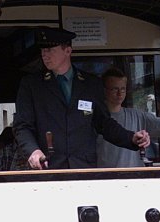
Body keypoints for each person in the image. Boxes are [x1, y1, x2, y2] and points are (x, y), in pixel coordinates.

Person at [14, 28, 150, 170]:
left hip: (83, 168)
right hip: (47, 166)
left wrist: (131, 138)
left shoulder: (91, 84)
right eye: (42, 50)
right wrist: (33, 151)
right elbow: (22, 125)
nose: (44, 55)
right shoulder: (32, 85)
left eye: (49, 50)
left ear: (67, 51)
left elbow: (103, 123)